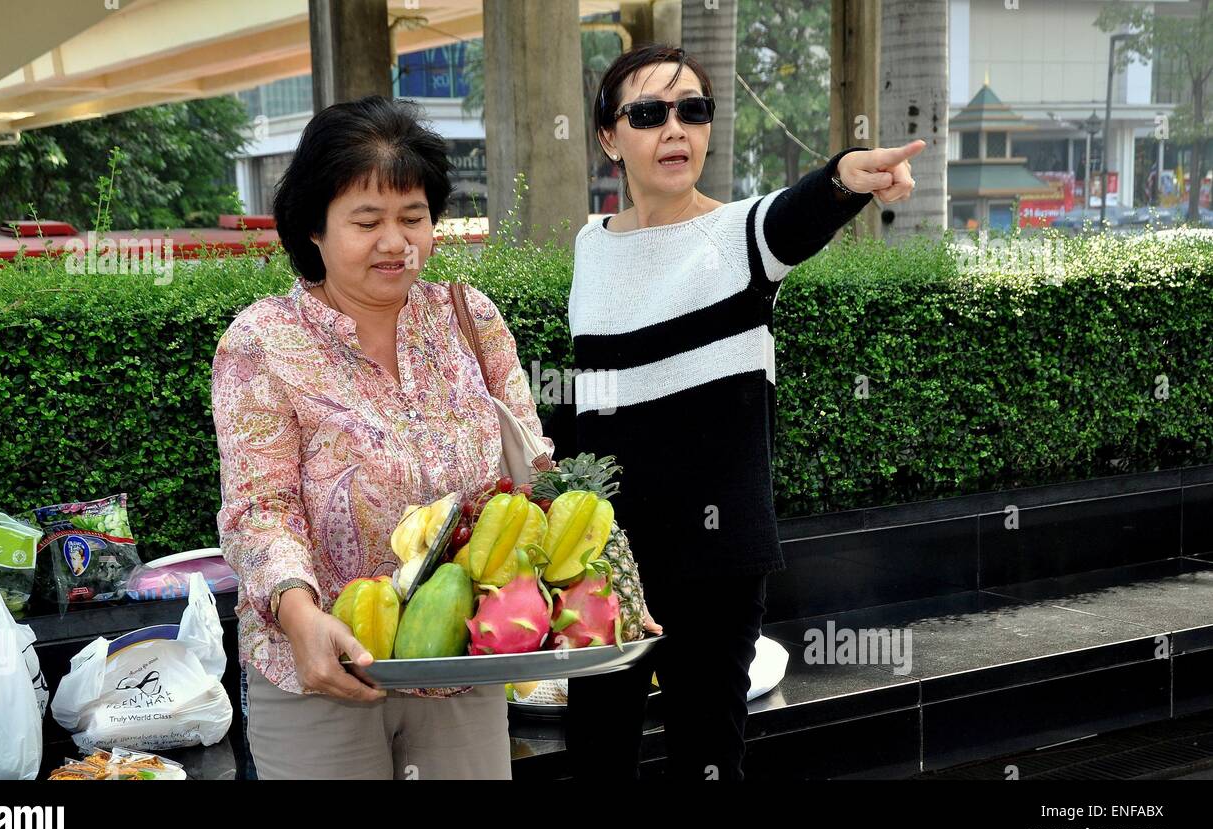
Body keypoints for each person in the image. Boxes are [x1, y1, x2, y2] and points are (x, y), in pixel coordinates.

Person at [564, 44, 922, 781]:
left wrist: (846, 176)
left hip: (715, 562)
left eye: (692, 110)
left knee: (707, 757)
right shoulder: (589, 247)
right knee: (597, 757)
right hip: (607, 559)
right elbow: (596, 402)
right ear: (608, 137)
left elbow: (796, 216)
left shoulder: (740, 237)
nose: (675, 129)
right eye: (649, 113)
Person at [211, 95, 551, 780]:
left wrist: (589, 593)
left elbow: (531, 476)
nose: (396, 243)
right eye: (367, 221)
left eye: (413, 218)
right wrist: (302, 617)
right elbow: (260, 509)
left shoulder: (469, 317)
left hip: (462, 666)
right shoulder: (263, 342)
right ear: (314, 227)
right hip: (320, 673)